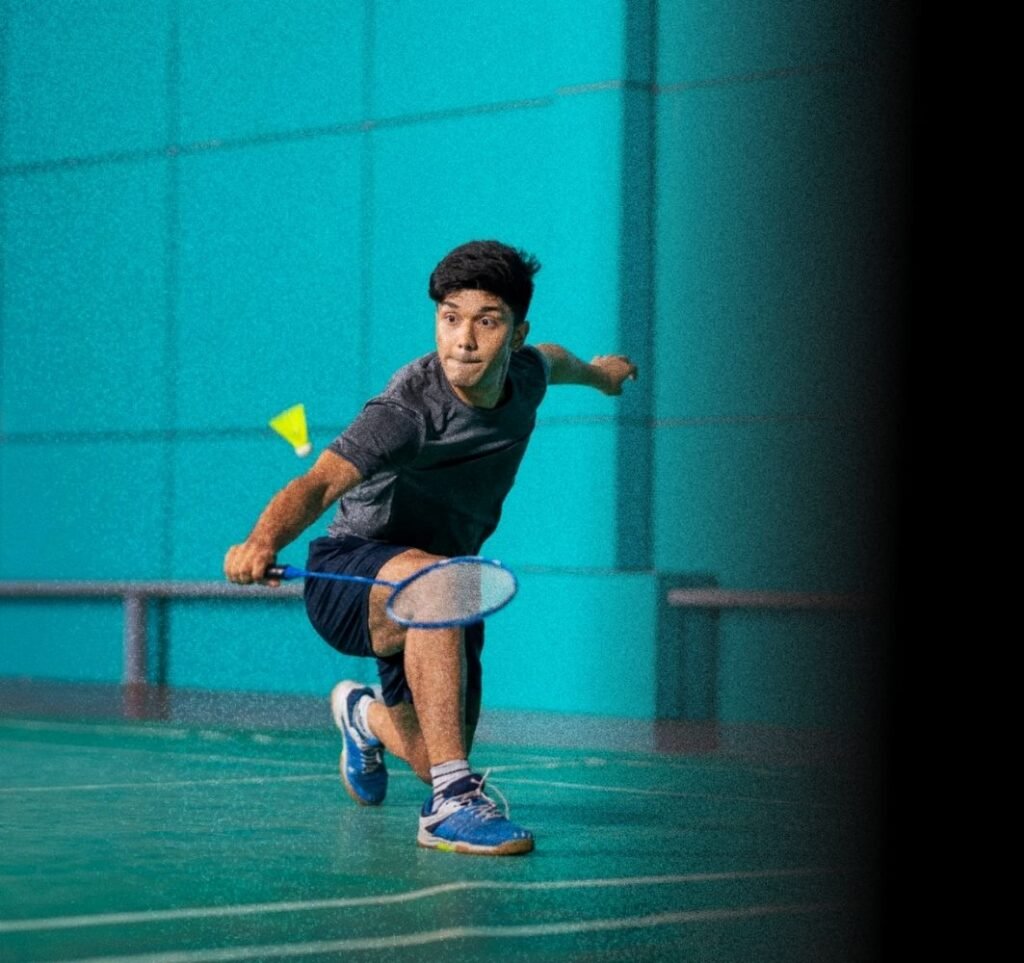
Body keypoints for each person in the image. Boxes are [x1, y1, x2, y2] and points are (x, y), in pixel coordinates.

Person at [224, 240, 637, 856]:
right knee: (441, 585)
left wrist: (602, 377)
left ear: (516, 334)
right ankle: (451, 804)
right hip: (352, 573)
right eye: (449, 318)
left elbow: (557, 361)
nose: (463, 340)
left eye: (486, 322)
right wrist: (262, 540)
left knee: (427, 753)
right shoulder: (407, 410)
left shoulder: (527, 374)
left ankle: (362, 716)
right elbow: (320, 483)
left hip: (444, 588)